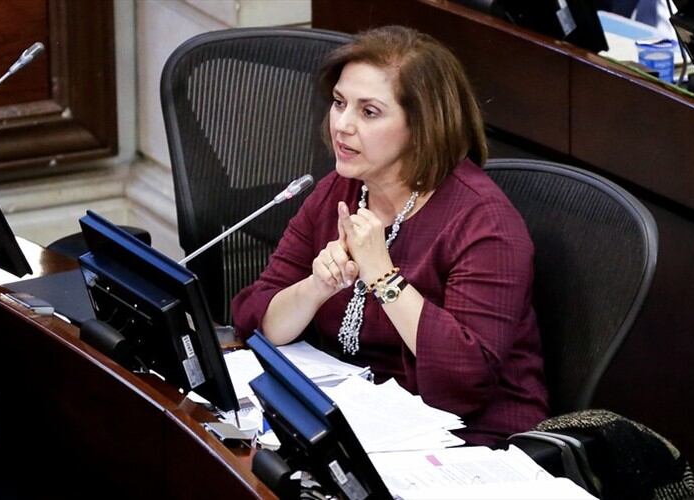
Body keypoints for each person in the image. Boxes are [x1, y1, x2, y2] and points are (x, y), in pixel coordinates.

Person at [231, 25, 548, 446]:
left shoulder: (485, 224)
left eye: (369, 112)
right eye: (340, 103)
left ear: (422, 125)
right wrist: (315, 287)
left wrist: (383, 275)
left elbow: (465, 381)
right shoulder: (339, 191)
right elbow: (256, 319)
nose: (342, 125)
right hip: (359, 420)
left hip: (469, 441)